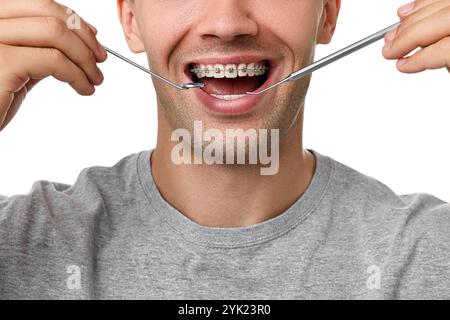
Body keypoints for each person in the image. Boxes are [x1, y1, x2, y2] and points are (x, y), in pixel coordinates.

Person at [0, 0, 449, 299]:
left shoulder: (426, 255)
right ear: (131, 20)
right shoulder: (19, 242)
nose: (227, 23)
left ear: (327, 13)